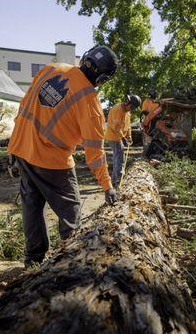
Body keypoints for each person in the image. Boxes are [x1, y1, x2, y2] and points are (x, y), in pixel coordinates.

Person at [7, 44, 119, 267]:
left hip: (23, 149)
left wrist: (12, 147)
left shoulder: (51, 69)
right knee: (71, 212)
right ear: (103, 78)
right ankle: (71, 260)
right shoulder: (91, 104)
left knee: (32, 206)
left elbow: (23, 106)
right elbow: (95, 154)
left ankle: (33, 260)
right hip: (52, 162)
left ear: (85, 57)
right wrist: (107, 186)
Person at [106, 94, 141, 188]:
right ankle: (118, 180)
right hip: (114, 137)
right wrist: (123, 138)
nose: (131, 109)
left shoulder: (127, 112)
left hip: (119, 137)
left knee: (118, 158)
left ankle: (114, 181)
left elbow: (128, 125)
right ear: (128, 103)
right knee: (120, 158)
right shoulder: (118, 110)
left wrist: (129, 136)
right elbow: (116, 127)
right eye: (131, 107)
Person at [140, 89, 160, 155]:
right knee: (147, 137)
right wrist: (151, 114)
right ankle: (146, 152)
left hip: (156, 120)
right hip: (148, 120)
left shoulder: (157, 102)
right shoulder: (146, 101)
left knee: (155, 136)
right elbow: (144, 111)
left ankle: (154, 151)